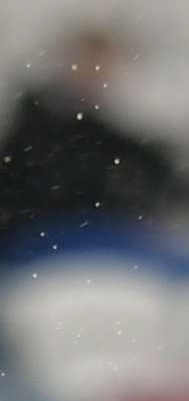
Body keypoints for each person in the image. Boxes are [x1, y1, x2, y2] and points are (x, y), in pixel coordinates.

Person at [0, 27, 176, 241]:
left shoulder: (98, 127)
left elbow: (152, 167)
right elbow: (45, 180)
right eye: (89, 63)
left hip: (94, 233)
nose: (97, 72)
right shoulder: (40, 122)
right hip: (49, 235)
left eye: (103, 65)